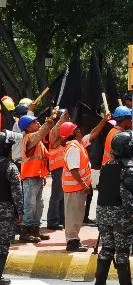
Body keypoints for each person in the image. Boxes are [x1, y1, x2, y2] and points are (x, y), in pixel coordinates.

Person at [94, 131, 133, 285]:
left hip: (102, 212)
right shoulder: (128, 168)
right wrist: (131, 212)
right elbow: (126, 194)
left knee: (107, 247)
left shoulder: (107, 166)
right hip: (119, 213)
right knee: (122, 250)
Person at [18, 108, 58, 243]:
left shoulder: (37, 141)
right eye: (35, 122)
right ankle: (26, 231)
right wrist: (50, 122)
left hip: (38, 176)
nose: (38, 124)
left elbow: (46, 156)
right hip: (30, 177)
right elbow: (42, 132)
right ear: (28, 127)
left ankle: (35, 229)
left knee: (39, 205)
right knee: (30, 205)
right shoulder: (30, 138)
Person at [60, 121, 93, 252]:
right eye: (77, 129)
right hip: (74, 188)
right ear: (73, 133)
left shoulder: (76, 146)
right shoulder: (73, 147)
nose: (80, 131)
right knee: (73, 216)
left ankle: (74, 240)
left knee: (77, 215)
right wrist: (83, 184)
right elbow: (74, 169)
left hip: (76, 188)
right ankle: (72, 242)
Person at [0, 130, 23, 285]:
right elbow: (17, 193)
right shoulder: (10, 167)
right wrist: (20, 212)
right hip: (5, 212)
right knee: (2, 244)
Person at [45, 109, 68, 231]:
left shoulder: (63, 136)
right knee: (57, 195)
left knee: (62, 195)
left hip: (63, 168)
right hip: (57, 168)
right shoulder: (53, 132)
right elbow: (57, 126)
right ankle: (53, 220)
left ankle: (60, 219)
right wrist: (62, 117)